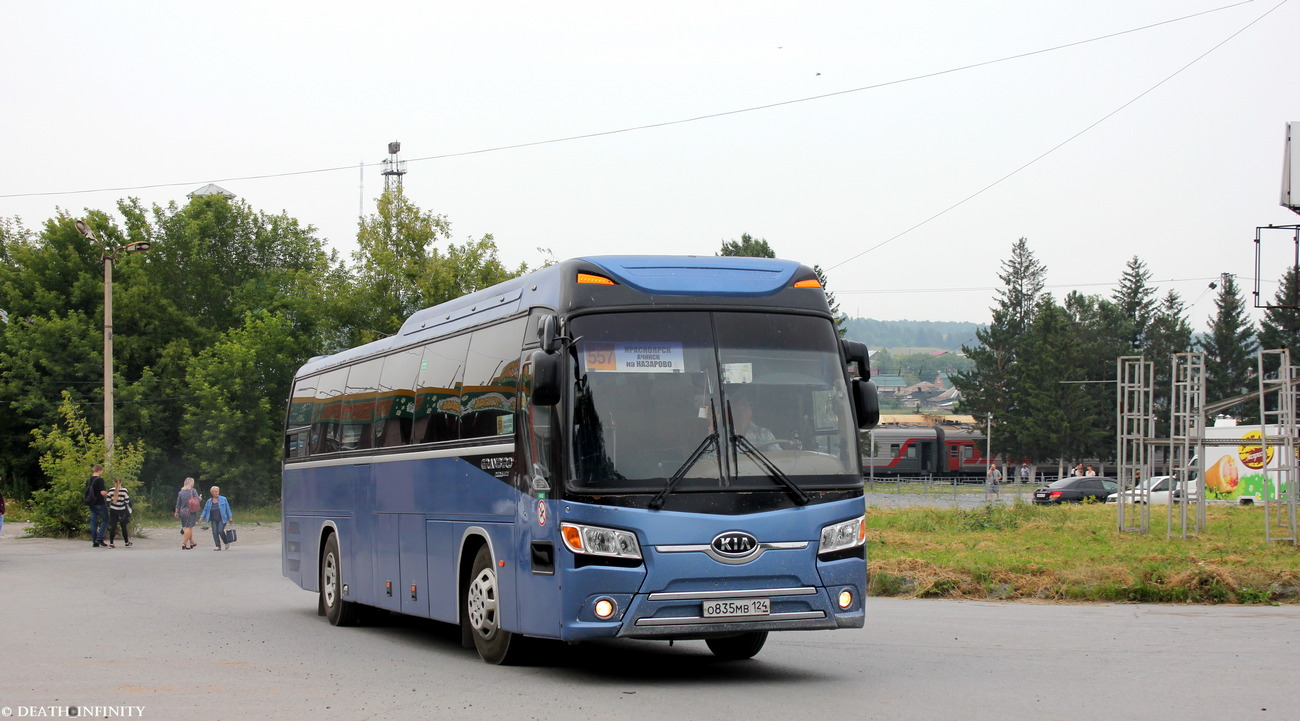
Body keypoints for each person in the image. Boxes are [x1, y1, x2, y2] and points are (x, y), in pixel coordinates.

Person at [201, 485, 233, 551]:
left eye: (217, 491)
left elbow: (227, 508)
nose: (216, 493)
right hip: (213, 519)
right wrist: (202, 517)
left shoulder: (223, 499)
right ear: (212, 492)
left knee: (220, 531)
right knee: (214, 532)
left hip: (222, 518)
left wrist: (230, 517)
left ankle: (226, 542)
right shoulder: (209, 501)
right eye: (215, 491)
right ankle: (218, 546)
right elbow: (205, 509)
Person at [105, 477, 132, 548]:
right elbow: (127, 501)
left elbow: (107, 500)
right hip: (122, 511)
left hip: (113, 510)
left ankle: (111, 543)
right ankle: (126, 542)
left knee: (113, 527)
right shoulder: (124, 491)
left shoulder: (111, 490)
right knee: (123, 527)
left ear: (114, 482)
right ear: (121, 482)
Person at [174, 477, 201, 550]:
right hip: (191, 511)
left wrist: (176, 512)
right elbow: (197, 500)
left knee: (187, 527)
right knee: (189, 527)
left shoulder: (180, 492)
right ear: (191, 483)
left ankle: (192, 542)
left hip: (183, 511)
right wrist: (200, 498)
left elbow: (178, 504)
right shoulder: (193, 490)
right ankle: (184, 544)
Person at [86, 464, 109, 548]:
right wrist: (108, 494)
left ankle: (94, 541)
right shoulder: (100, 480)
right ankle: (99, 538)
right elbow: (102, 492)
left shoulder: (88, 480)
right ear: (100, 471)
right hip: (99, 502)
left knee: (93, 521)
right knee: (106, 519)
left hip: (91, 503)